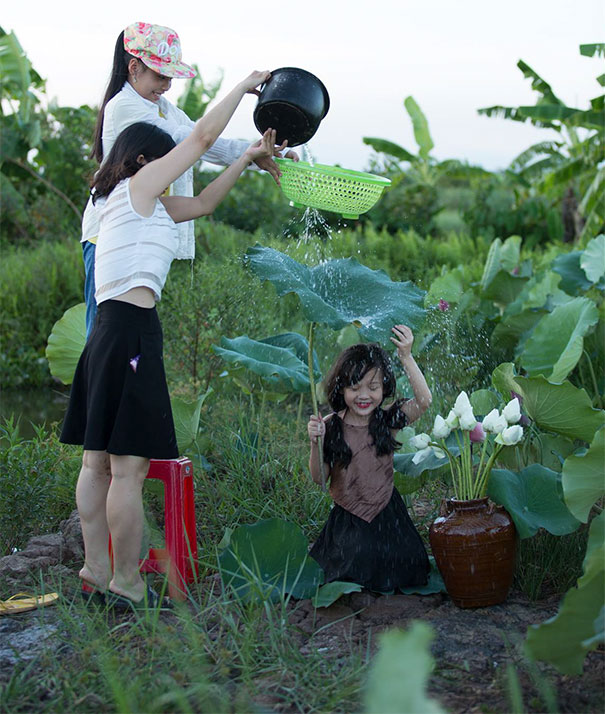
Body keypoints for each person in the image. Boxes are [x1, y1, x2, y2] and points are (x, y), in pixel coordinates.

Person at [60, 68, 280, 609]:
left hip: (106, 337)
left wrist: (246, 159)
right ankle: (127, 583)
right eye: (166, 159)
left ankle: (95, 569)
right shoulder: (140, 187)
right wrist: (246, 84)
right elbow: (201, 138)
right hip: (132, 336)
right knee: (128, 471)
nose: (173, 167)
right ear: (143, 161)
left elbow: (203, 204)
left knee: (96, 464)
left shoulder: (128, 204)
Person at [82, 21, 298, 337]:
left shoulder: (164, 108)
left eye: (170, 77)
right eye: (160, 75)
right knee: (103, 333)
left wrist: (263, 155)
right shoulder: (124, 107)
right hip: (110, 233)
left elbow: (210, 144)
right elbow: (197, 140)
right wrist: (239, 89)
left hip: (141, 225)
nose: (167, 85)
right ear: (134, 67)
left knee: (131, 336)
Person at [307, 325, 432, 593]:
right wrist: (314, 442)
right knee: (353, 569)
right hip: (350, 516)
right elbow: (319, 478)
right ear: (341, 389)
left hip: (387, 510)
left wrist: (406, 357)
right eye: (354, 388)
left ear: (383, 387)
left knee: (407, 564)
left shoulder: (386, 421)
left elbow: (424, 401)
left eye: (372, 387)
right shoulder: (330, 427)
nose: (364, 396)